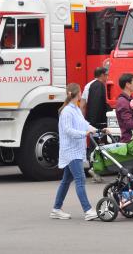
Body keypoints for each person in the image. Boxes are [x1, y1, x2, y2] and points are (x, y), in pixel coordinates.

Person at [50, 83, 98, 221]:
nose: (82, 94)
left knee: (66, 180)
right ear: (76, 94)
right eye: (81, 92)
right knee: (80, 179)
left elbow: (84, 124)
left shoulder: (75, 109)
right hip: (70, 151)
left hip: (76, 149)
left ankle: (56, 209)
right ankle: (88, 210)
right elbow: (68, 131)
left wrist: (96, 130)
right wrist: (85, 133)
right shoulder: (66, 111)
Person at [115, 73, 133, 143]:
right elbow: (129, 124)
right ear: (127, 84)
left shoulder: (130, 99)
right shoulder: (123, 101)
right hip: (129, 141)